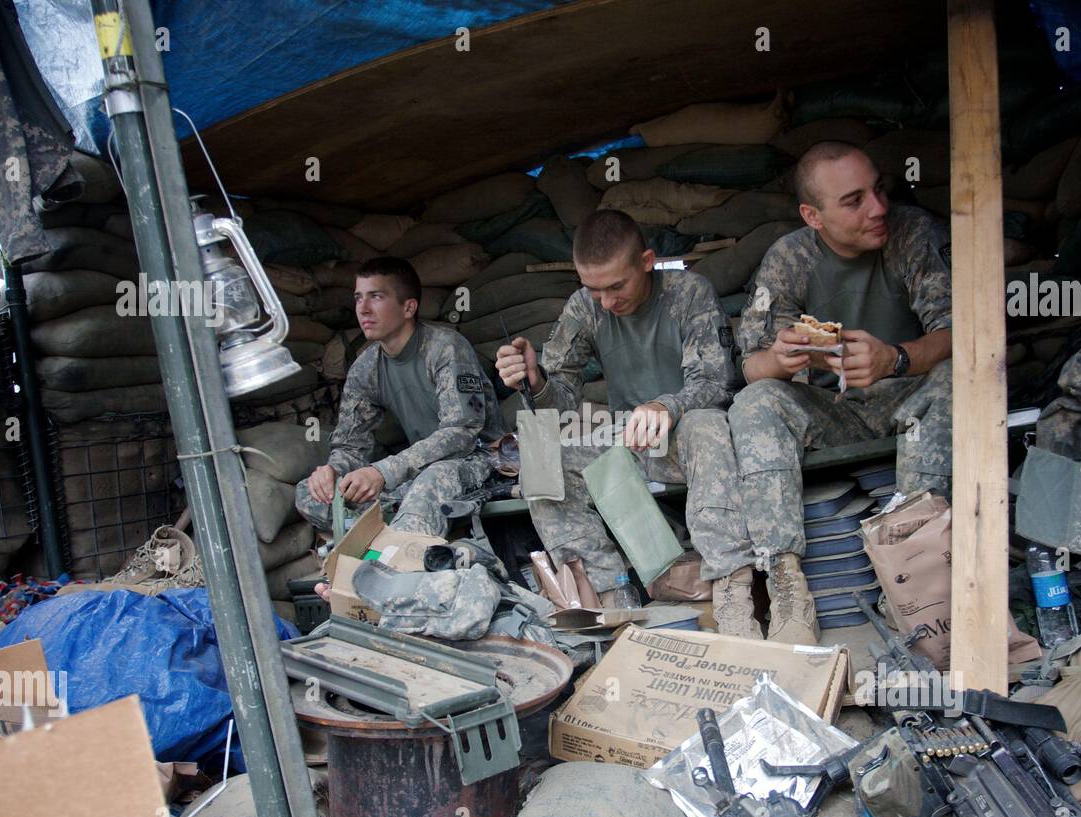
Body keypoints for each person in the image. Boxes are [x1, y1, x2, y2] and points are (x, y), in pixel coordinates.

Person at [495, 210, 762, 638]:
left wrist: (665, 406)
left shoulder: (689, 292)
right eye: (594, 288)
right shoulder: (586, 308)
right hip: (630, 443)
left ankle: (733, 594)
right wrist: (536, 379)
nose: (606, 302)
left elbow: (717, 381)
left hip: (691, 440)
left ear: (647, 261)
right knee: (544, 461)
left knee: (705, 424)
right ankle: (610, 600)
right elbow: (560, 402)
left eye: (617, 286)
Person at [729, 141, 955, 644]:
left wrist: (894, 358)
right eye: (854, 201)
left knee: (958, 379)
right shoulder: (789, 258)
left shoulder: (912, 232)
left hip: (911, 401)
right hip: (836, 411)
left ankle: (913, 581)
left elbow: (961, 331)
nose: (877, 208)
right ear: (813, 215)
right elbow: (751, 366)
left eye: (878, 190)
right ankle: (787, 589)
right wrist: (781, 360)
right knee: (756, 402)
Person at [295, 256, 506, 539]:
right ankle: (386, 530)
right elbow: (351, 446)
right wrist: (332, 471)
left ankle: (397, 554)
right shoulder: (366, 367)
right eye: (358, 298)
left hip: (483, 462)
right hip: (417, 470)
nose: (363, 309)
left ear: (409, 307)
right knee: (309, 493)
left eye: (376, 297)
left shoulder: (445, 348)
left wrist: (384, 472)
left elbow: (461, 434)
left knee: (432, 480)